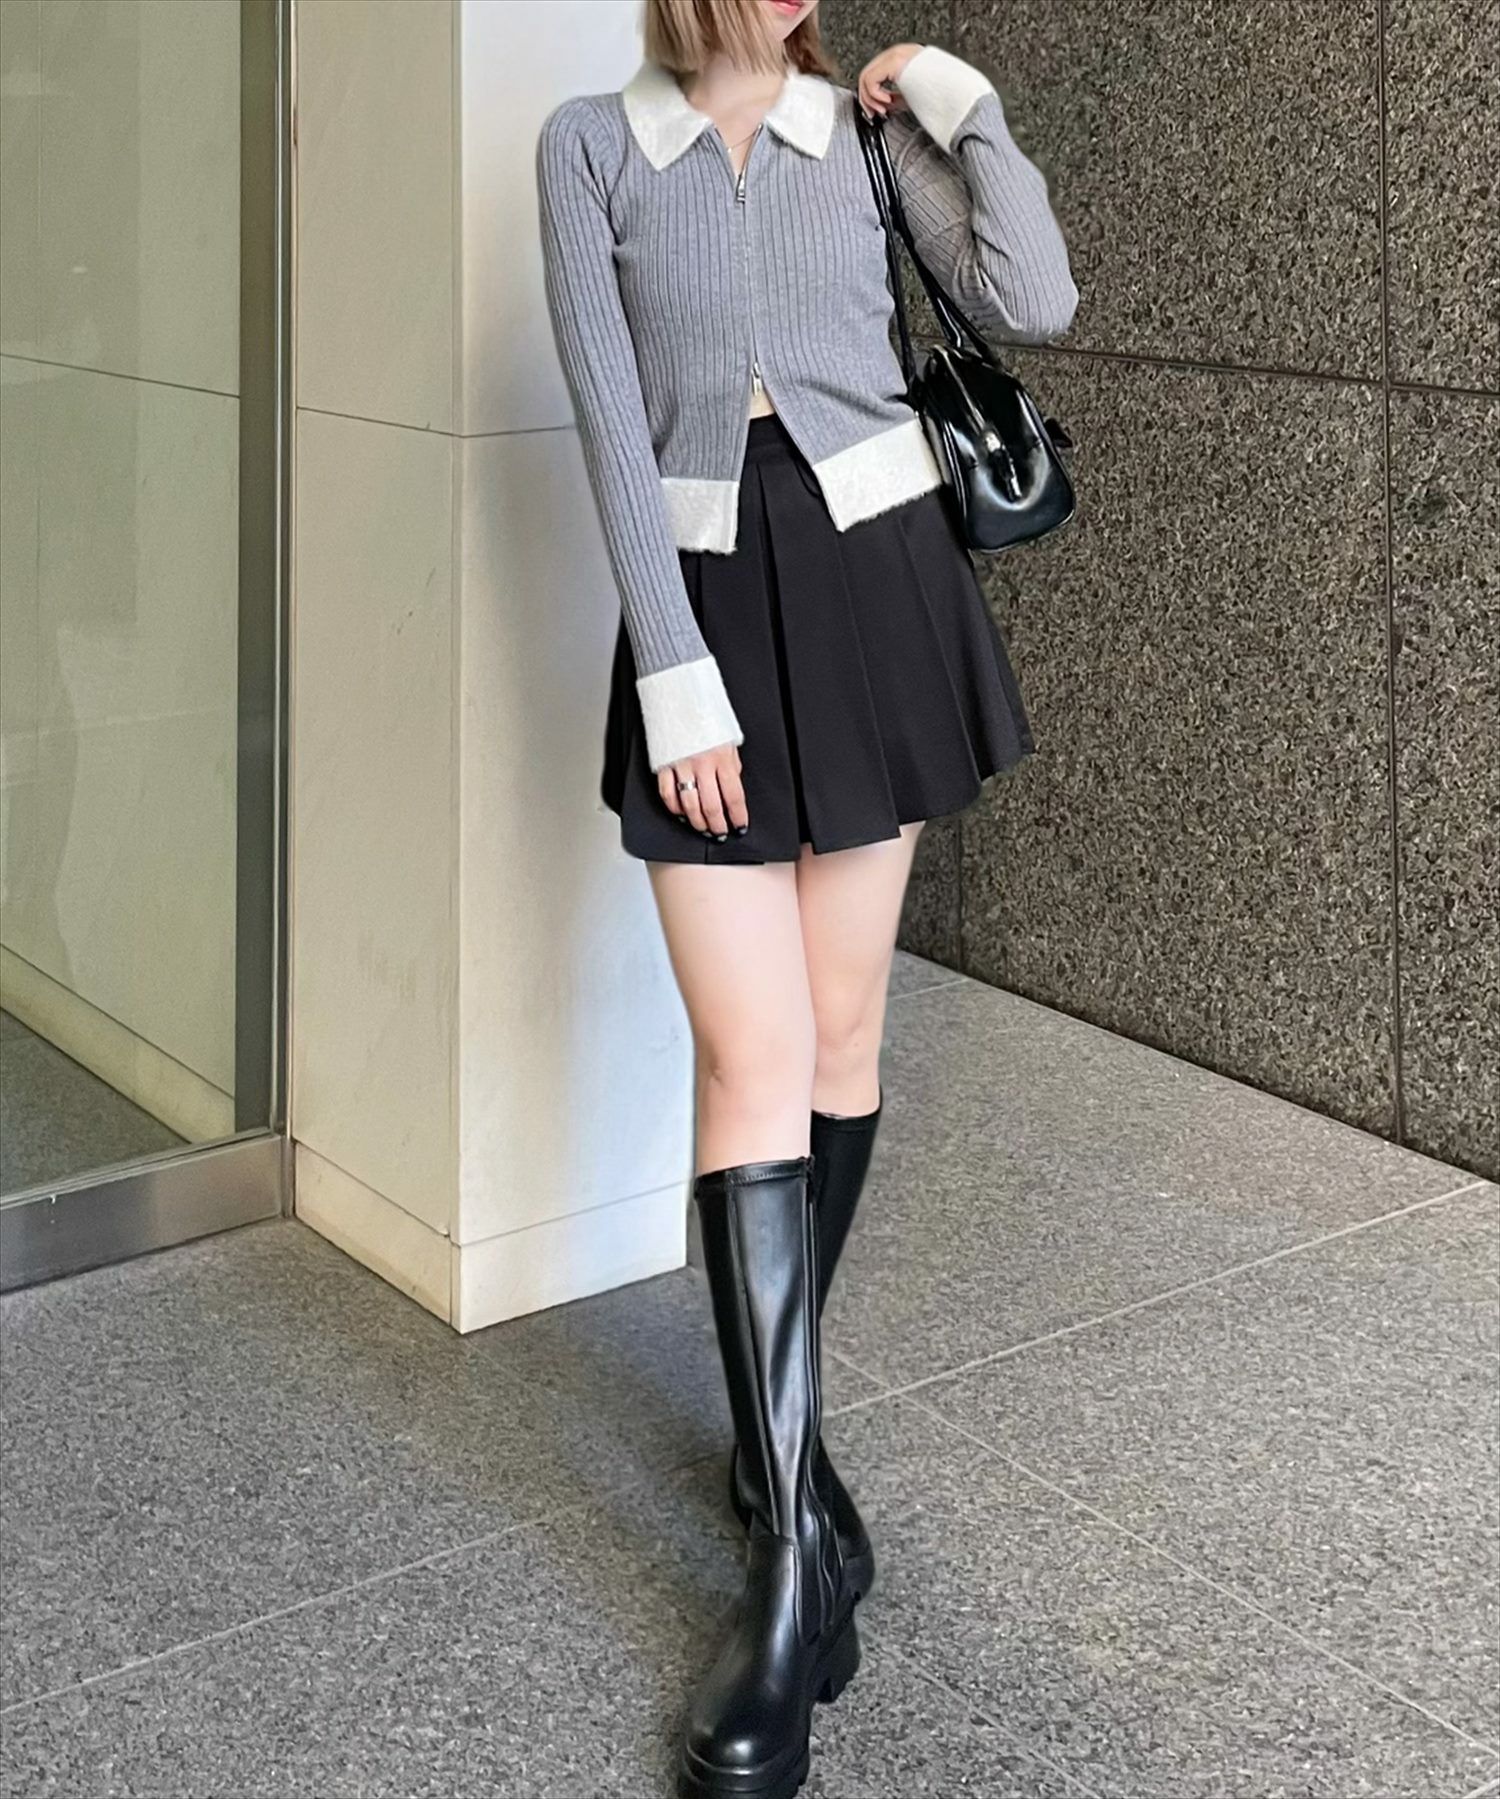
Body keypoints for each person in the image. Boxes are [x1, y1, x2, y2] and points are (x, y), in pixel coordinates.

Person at [536, 2, 1077, 1792]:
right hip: (704, 609)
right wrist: (672, 672)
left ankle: (778, 1457)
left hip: (883, 586)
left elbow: (1037, 295)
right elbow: (611, 428)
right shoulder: (593, 147)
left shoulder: (865, 132)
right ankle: (789, 1558)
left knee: (840, 1039)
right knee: (749, 1057)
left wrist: (965, 108)